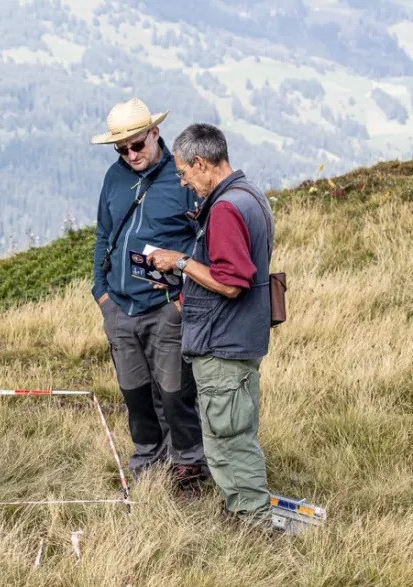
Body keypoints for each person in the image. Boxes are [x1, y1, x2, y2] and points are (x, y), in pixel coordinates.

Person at [148, 123, 274, 527]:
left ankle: (250, 519)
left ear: (201, 163)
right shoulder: (250, 194)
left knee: (227, 438)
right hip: (239, 337)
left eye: (184, 173)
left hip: (223, 343)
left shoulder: (224, 208)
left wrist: (181, 262)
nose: (184, 182)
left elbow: (232, 282)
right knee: (230, 431)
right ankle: (242, 508)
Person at [91, 98, 208, 493]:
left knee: (176, 393)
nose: (131, 154)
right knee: (135, 393)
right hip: (120, 307)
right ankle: (147, 463)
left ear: (155, 134)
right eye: (121, 149)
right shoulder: (113, 177)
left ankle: (189, 465)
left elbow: (205, 241)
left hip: (166, 309)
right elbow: (104, 236)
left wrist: (181, 299)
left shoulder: (183, 179)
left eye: (137, 144)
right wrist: (102, 294)